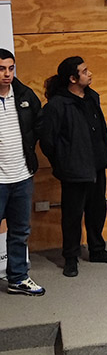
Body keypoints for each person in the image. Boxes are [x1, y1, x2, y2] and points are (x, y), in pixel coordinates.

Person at [39, 56, 107, 277]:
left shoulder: (92, 97)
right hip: (74, 169)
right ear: (73, 78)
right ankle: (71, 258)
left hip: (96, 165)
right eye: (84, 71)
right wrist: (63, 162)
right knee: (73, 216)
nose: (90, 73)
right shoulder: (57, 105)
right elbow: (47, 141)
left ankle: (97, 250)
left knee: (97, 210)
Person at [0, 49, 45, 296]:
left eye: (10, 68)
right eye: (1, 69)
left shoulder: (25, 95)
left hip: (21, 176)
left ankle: (17, 277)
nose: (7, 74)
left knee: (19, 231)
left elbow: (37, 126)